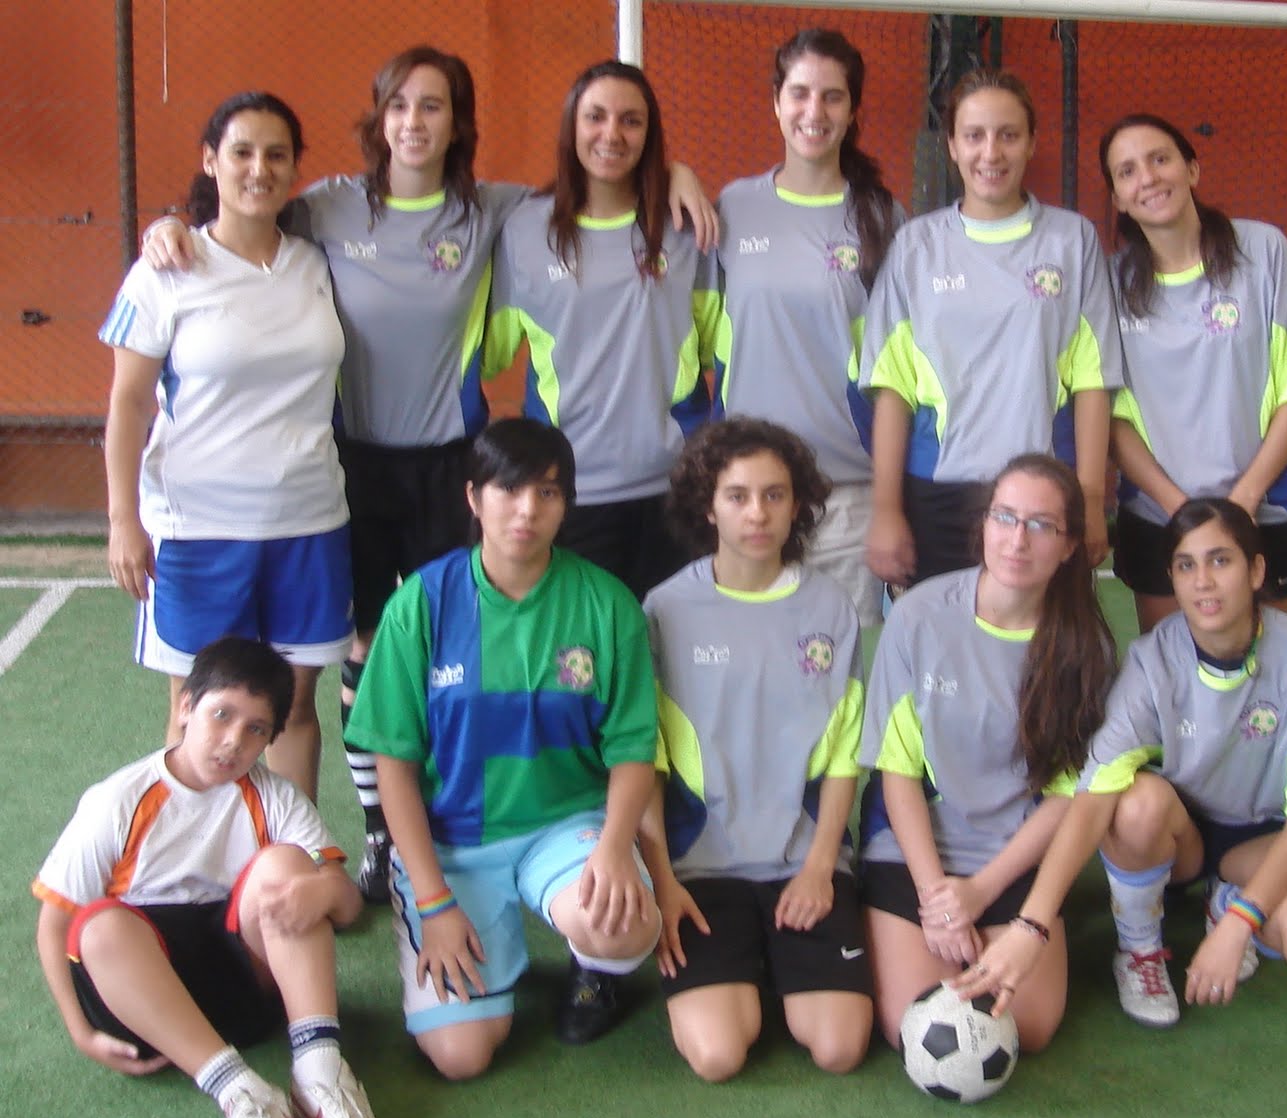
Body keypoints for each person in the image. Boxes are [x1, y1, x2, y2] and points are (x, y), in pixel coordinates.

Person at [142, 47, 717, 904]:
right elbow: (241, 205)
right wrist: (173, 223)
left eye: (434, 106)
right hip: (350, 469)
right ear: (379, 118)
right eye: (401, 105)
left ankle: (489, 823)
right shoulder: (326, 207)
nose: (415, 121)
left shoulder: (495, 211)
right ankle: (380, 832)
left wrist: (682, 174)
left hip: (453, 464)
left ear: (458, 123)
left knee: (459, 648)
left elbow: (598, 183)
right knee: (368, 651)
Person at [345, 418, 662, 1079]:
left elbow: (633, 750)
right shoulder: (421, 603)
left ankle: (591, 967)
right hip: (456, 843)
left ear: (566, 505)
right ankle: (475, 938)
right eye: (508, 490)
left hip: (565, 824)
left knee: (622, 927)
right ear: (473, 497)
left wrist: (613, 849)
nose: (527, 510)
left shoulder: (606, 604)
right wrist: (434, 902)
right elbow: (393, 767)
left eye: (547, 492)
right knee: (460, 1057)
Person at [953, 498, 1287, 1029]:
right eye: (1186, 565)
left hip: (1261, 838)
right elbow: (1093, 797)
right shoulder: (1152, 663)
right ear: (1172, 580)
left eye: (1220, 560)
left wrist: (1241, 921)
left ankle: (1226, 903)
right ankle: (1139, 948)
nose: (1203, 581)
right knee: (1134, 801)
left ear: (1256, 571)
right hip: (1179, 834)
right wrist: (1031, 925)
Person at [32, 638, 385, 1118]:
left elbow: (346, 901)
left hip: (245, 999)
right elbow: (54, 926)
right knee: (97, 926)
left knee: (290, 866)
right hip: (145, 1010)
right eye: (222, 715)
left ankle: (319, 1072)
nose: (233, 741)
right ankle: (240, 1094)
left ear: (271, 739)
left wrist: (319, 891)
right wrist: (80, 1033)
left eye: (255, 729)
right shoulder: (117, 799)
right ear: (185, 707)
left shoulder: (274, 797)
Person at [101, 91, 351, 805]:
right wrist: (122, 519)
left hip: (308, 522)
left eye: (276, 155)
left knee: (293, 710)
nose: (259, 169)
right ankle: (197, 857)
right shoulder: (166, 270)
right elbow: (126, 403)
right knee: (202, 715)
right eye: (242, 152)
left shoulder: (315, 263)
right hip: (198, 530)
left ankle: (292, 853)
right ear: (211, 162)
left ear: (295, 168)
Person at [857, 454, 1117, 1052]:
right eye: (1005, 517)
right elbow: (897, 772)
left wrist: (979, 891)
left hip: (1011, 855)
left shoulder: (1085, 649)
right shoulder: (919, 615)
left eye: (1041, 525)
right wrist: (937, 898)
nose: (1017, 540)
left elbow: (1068, 794)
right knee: (913, 1023)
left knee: (1027, 1028)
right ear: (983, 524)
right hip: (914, 850)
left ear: (1069, 546)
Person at [639, 418, 872, 1081]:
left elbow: (844, 754)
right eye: (737, 495)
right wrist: (662, 883)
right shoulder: (663, 610)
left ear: (797, 505)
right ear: (707, 506)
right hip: (699, 874)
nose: (757, 513)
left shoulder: (832, 609)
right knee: (718, 1057)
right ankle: (752, 967)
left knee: (838, 1050)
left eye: (775, 495)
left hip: (804, 863)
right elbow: (646, 764)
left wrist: (821, 866)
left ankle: (777, 963)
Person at [858, 69, 1121, 590]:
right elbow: (892, 387)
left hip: (1045, 492)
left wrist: (1091, 498)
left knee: (1043, 638)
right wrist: (886, 508)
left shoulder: (1073, 241)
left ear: (1032, 143)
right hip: (938, 489)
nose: (991, 152)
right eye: (974, 135)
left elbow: (1093, 379)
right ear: (952, 146)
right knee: (943, 636)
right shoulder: (915, 246)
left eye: (1008, 135)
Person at [1098, 113, 1287, 633]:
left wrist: (1244, 500)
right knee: (1171, 667)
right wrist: (1183, 512)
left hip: (1267, 507)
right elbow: (1111, 418)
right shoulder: (1109, 285)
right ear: (1117, 198)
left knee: (1257, 668)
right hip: (1161, 514)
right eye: (1127, 171)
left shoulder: (1264, 252)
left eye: (1160, 159)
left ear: (1192, 169)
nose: (1148, 178)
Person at [485, 60, 717, 601]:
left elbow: (718, 351)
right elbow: (488, 354)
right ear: (572, 125)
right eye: (595, 117)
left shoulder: (685, 228)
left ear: (650, 133)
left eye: (631, 120)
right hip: (569, 488)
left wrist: (678, 173)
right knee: (581, 646)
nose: (612, 134)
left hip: (674, 486)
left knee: (666, 644)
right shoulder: (524, 230)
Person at [709, 29, 904, 625]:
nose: (813, 111)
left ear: (853, 110)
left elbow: (901, 371)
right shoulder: (732, 207)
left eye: (832, 96)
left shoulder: (882, 218)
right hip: (749, 491)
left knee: (837, 664)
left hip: (845, 496)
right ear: (776, 101)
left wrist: (890, 503)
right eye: (799, 93)